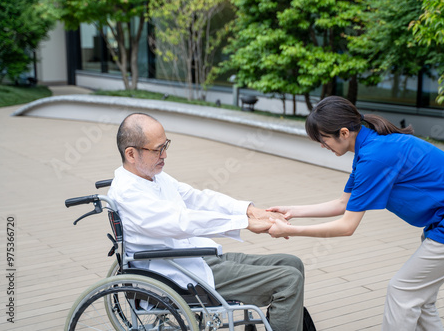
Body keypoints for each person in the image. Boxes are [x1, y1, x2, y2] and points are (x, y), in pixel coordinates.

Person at [267, 96, 444, 331]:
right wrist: (292, 211)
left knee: (402, 291)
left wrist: (291, 231)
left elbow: (347, 226)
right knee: (420, 299)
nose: (322, 145)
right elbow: (342, 203)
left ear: (344, 133)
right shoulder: (370, 147)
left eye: (323, 139)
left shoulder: (375, 157)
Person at [107, 112, 306, 331]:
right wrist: (244, 223)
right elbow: (182, 222)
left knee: (292, 263)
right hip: (178, 274)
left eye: (166, 146)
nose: (165, 155)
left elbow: (196, 198)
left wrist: (250, 211)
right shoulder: (129, 193)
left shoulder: (152, 176)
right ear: (131, 154)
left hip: (195, 258)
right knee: (289, 280)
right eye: (157, 150)